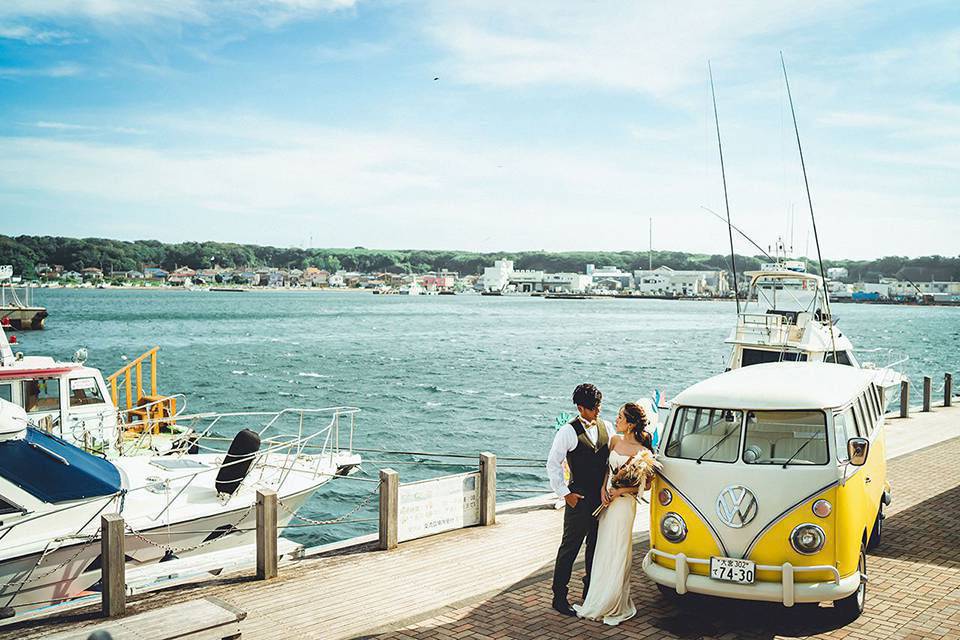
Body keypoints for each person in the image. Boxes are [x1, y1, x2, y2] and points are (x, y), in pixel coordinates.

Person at [573, 402, 654, 626]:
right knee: (603, 549)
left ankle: (615, 602)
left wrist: (621, 491)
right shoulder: (615, 441)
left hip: (624, 506)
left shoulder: (643, 453)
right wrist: (603, 489)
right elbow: (606, 471)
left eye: (620, 417)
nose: (616, 420)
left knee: (618, 550)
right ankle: (597, 597)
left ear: (630, 424)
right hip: (607, 502)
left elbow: (646, 485)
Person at [547, 383, 610, 616]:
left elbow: (610, 463)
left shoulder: (607, 427)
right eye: (594, 408)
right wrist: (565, 494)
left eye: (600, 405)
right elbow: (553, 465)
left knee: (595, 547)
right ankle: (559, 597)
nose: (598, 411)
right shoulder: (567, 431)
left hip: (601, 501)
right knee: (569, 548)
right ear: (581, 408)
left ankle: (589, 592)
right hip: (579, 499)